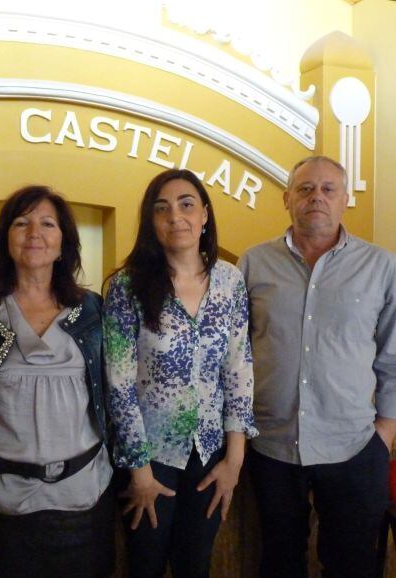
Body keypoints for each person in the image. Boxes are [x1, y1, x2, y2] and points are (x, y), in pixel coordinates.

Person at [237, 156, 396, 578]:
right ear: (287, 199)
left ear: (345, 199)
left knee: (351, 564)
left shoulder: (380, 265)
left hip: (354, 445)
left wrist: (384, 434)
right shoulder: (253, 263)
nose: (316, 197)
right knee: (279, 561)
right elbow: (235, 352)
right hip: (272, 446)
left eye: (328, 189)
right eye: (305, 189)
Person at [0, 185, 114, 578]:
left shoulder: (94, 310)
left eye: (47, 224)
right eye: (21, 223)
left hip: (83, 498)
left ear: (63, 243)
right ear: (5, 239)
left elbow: (117, 391)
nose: (34, 233)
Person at [103, 169, 257, 578]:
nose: (176, 216)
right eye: (162, 208)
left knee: (196, 565)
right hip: (148, 457)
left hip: (210, 453)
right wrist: (138, 471)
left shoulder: (229, 280)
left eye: (186, 205)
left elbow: (239, 368)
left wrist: (234, 459)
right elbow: (118, 383)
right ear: (151, 222)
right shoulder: (126, 287)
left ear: (204, 214)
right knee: (146, 566)